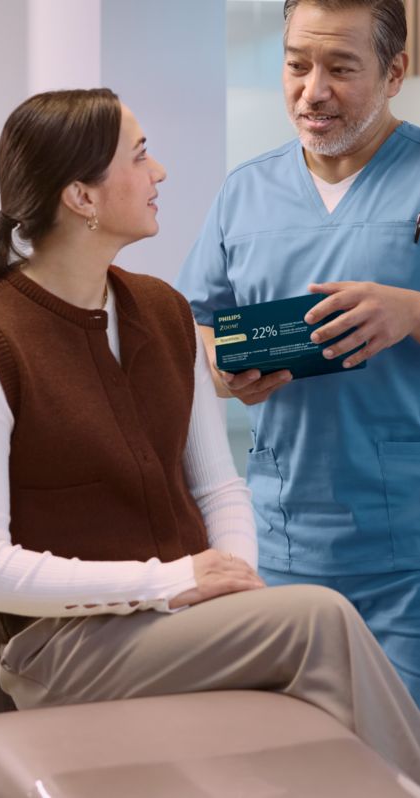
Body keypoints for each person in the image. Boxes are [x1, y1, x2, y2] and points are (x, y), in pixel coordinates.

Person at [0, 88, 419, 783]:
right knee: (316, 622)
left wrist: (232, 578)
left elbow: (217, 485)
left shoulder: (164, 312)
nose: (160, 174)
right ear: (82, 198)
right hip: (65, 647)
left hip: (176, 627)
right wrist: (175, 581)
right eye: (140, 155)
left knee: (310, 680)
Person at [176, 0, 420, 709]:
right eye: (295, 64)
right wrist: (222, 367)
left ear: (394, 71)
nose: (312, 91)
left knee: (392, 760)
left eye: (340, 68)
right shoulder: (244, 192)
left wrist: (410, 312)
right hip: (281, 543)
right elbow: (186, 335)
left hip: (406, 554)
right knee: (285, 755)